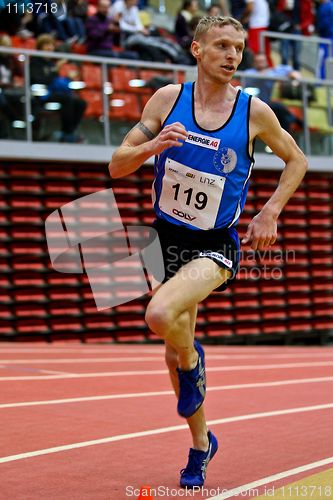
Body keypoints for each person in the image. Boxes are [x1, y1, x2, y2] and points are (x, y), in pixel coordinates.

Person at [108, 16, 308, 488]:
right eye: (221, 45)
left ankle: (194, 362)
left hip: (215, 245)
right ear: (197, 49)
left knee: (159, 315)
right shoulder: (166, 99)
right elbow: (117, 166)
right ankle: (201, 446)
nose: (232, 55)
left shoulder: (253, 111)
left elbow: (296, 159)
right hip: (164, 238)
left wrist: (269, 213)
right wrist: (151, 145)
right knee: (171, 353)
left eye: (238, 47)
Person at [30, 34, 87, 142]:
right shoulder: (34, 62)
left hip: (54, 94)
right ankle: (67, 134)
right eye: (47, 45)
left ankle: (68, 132)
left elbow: (54, 82)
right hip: (40, 96)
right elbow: (40, 81)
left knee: (81, 103)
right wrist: (55, 70)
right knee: (67, 99)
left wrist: (68, 78)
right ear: (40, 47)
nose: (50, 48)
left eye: (51, 45)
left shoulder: (51, 64)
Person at [244, 52, 303, 132]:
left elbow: (294, 73)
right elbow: (254, 78)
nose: (260, 63)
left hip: (267, 103)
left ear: (266, 62)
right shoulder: (250, 73)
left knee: (283, 118)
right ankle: (294, 119)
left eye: (262, 61)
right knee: (279, 107)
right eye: (258, 61)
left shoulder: (273, 71)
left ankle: (281, 141)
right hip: (252, 104)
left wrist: (294, 77)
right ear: (254, 63)